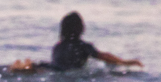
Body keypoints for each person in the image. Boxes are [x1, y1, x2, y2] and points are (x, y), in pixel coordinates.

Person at [9, 11, 142, 73]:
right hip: (64, 71)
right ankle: (26, 68)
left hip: (52, 67)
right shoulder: (84, 46)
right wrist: (124, 62)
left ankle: (25, 67)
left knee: (39, 68)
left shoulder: (58, 46)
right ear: (81, 28)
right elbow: (104, 56)